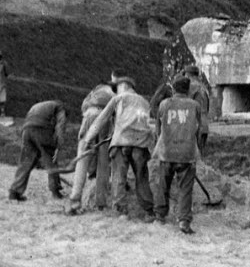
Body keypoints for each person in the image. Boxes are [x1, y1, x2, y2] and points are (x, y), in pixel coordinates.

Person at [84, 76, 155, 219]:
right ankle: (149, 212)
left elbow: (102, 119)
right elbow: (150, 126)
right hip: (140, 144)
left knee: (118, 177)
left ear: (123, 86)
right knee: (142, 177)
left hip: (121, 142)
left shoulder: (118, 99)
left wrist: (88, 138)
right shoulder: (145, 102)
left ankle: (120, 211)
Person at [153, 76, 202, 234]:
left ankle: (160, 216)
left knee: (163, 185)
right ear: (188, 90)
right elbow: (198, 129)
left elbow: (158, 129)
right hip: (186, 153)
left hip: (167, 151)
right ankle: (183, 221)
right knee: (185, 188)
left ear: (173, 89)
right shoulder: (195, 105)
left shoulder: (164, 104)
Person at [66, 83, 115, 215]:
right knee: (103, 163)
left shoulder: (95, 91)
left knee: (82, 162)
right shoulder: (114, 93)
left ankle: (75, 201)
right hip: (107, 120)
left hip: (89, 115)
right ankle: (101, 203)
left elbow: (84, 107)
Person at [8, 100, 66, 201]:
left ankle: (14, 191)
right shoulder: (60, 108)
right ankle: (55, 191)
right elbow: (60, 126)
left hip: (26, 131)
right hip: (41, 129)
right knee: (51, 161)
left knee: (25, 162)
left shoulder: (40, 105)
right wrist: (58, 147)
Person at [183, 65, 210, 154]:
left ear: (187, 75)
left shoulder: (190, 87)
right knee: (200, 156)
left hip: (194, 126)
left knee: (191, 156)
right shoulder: (204, 87)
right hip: (204, 125)